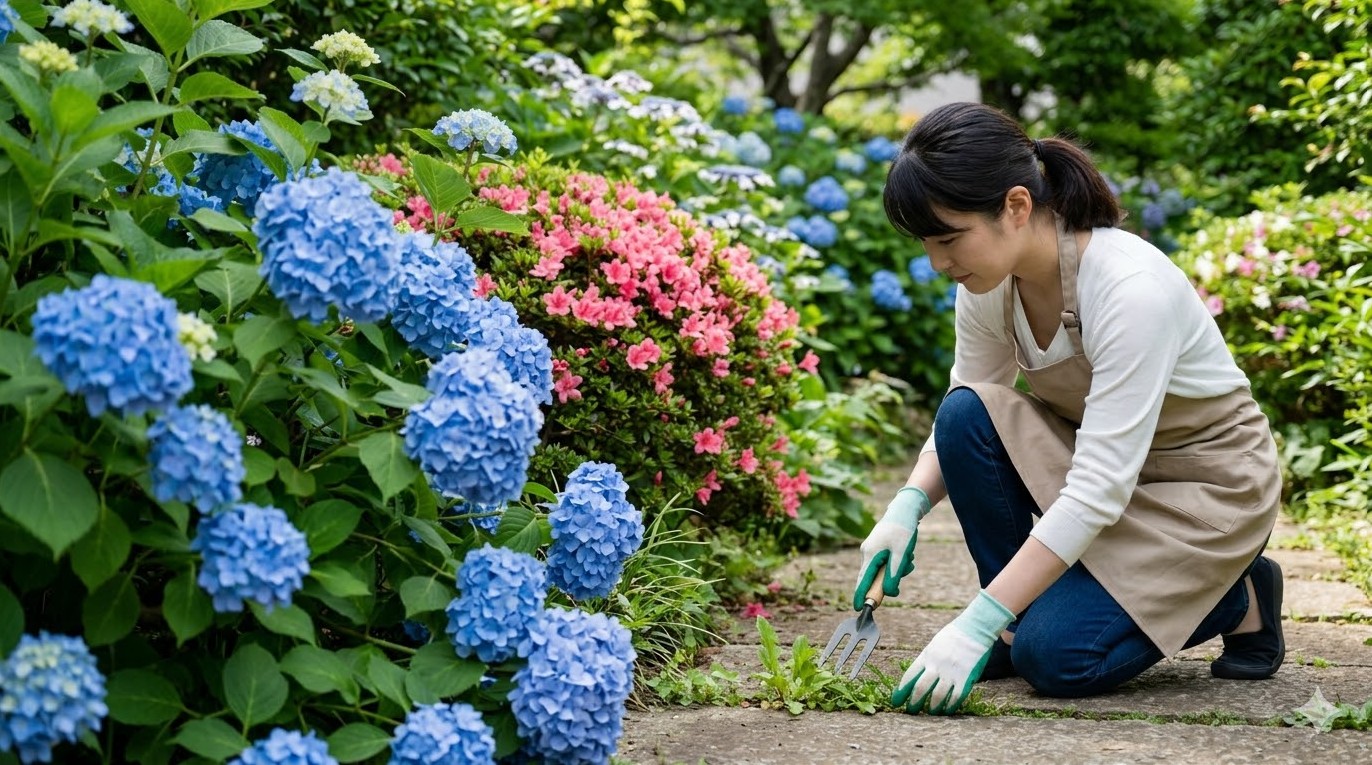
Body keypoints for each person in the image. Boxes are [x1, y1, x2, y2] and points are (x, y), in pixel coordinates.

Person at [852, 102, 1284, 715]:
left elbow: (1097, 490)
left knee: (1057, 659)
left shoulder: (1129, 289)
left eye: (949, 238)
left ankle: (1237, 591)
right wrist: (908, 506)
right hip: (1105, 468)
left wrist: (970, 622)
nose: (938, 263)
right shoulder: (987, 282)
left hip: (1206, 493)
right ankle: (1010, 620)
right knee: (967, 413)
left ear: (1017, 206)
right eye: (927, 242)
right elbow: (968, 400)